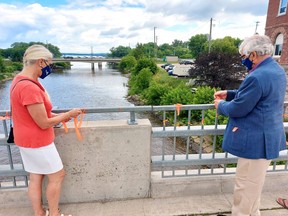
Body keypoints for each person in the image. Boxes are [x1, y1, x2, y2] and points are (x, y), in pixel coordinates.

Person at [214, 35, 286, 216]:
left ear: (253, 55)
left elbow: (239, 108)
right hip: (267, 137)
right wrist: (230, 94)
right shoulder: (276, 70)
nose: (243, 60)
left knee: (245, 187)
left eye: (244, 56)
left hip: (255, 141)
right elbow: (257, 95)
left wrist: (220, 106)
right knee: (254, 186)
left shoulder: (257, 76)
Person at [10, 44, 82, 216]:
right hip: (37, 142)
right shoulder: (29, 87)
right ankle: (54, 214)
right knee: (58, 176)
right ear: (41, 62)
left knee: (36, 176)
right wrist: (68, 115)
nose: (50, 67)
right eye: (49, 63)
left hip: (25, 139)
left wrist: (63, 114)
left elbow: (37, 113)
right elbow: (43, 122)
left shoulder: (19, 80)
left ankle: (39, 213)